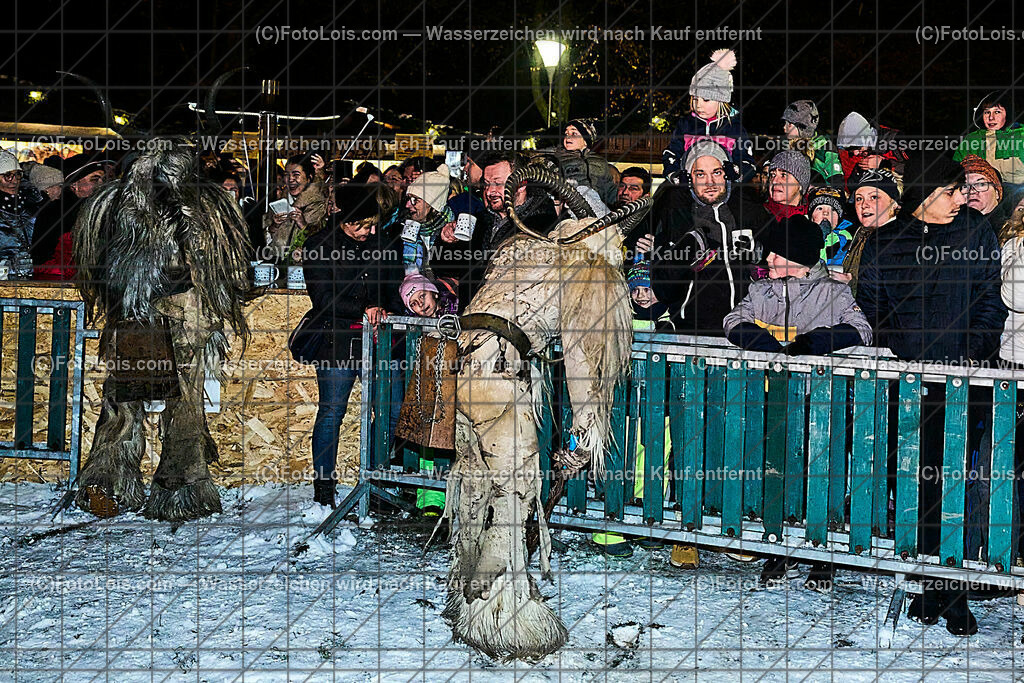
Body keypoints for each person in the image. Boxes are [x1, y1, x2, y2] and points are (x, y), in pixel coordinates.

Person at [856, 151, 1007, 636]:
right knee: (918, 485)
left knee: (956, 484)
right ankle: (927, 582)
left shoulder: (974, 232)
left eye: (963, 189)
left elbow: (991, 300)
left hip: (963, 384)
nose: (962, 198)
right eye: (952, 191)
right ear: (923, 196)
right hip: (908, 385)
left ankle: (955, 590)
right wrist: (900, 351)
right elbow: (871, 309)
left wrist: (973, 357)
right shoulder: (886, 242)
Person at [723, 214, 872, 590]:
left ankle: (821, 551)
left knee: (821, 477)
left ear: (799, 259)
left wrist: (814, 343)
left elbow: (862, 329)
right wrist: (766, 345)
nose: (768, 261)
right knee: (779, 474)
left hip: (823, 405)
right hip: (775, 402)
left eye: (776, 255)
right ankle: (780, 546)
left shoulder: (833, 293)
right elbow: (732, 320)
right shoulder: (761, 291)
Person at [303, 182, 402, 507]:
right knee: (332, 412)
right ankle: (324, 486)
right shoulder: (318, 245)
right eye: (358, 225)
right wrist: (362, 308)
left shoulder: (386, 243)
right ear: (342, 218)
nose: (365, 231)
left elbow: (393, 289)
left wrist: (386, 309)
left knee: (388, 412)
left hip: (379, 341)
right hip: (337, 340)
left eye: (370, 224)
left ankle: (381, 480)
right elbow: (322, 300)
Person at [431, 151, 557, 308]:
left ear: (521, 185)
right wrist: (446, 240)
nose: (490, 192)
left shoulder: (544, 226)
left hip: (514, 323)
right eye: (486, 183)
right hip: (473, 320)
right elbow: (443, 267)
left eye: (498, 183)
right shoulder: (480, 221)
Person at [662, 49, 755, 180]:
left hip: (725, 189)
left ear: (721, 100)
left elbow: (747, 162)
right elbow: (672, 153)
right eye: (694, 99)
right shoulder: (685, 125)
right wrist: (675, 175)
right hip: (690, 186)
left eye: (706, 99)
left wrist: (736, 171)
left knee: (745, 199)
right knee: (667, 198)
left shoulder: (734, 128)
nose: (698, 105)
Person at [31, 154, 111, 274]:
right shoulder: (55, 213)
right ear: (74, 185)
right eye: (94, 179)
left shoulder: (101, 210)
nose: (101, 184)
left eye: (103, 179)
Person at [839, 168, 902, 294]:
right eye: (859, 199)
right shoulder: (862, 232)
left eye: (874, 197)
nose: (864, 205)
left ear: (894, 203)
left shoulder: (899, 241)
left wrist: (850, 283)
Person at [263, 154, 327, 264]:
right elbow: (265, 239)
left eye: (296, 175)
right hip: (276, 265)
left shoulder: (318, 204)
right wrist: (274, 226)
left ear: (309, 178)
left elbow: (322, 241)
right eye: (286, 175)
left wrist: (303, 225)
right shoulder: (278, 202)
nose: (290, 179)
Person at [953, 92, 1024, 184]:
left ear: (1008, 113)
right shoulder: (973, 139)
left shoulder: (1021, 135)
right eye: (987, 112)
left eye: (997, 112)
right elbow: (955, 171)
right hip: (983, 192)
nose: (991, 117)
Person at [549, 119, 618, 207]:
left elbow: (610, 191)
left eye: (574, 134)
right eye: (566, 134)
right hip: (570, 209)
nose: (568, 137)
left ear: (586, 141)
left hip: (597, 208)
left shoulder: (600, 162)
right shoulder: (556, 158)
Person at [0, 150, 46, 278]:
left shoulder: (31, 208)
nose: (14, 181)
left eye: (18, 174)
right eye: (7, 175)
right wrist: (7, 265)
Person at [403, 164, 455, 275]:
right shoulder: (402, 229)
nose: (408, 205)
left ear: (433, 205)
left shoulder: (454, 235)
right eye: (408, 199)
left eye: (415, 200)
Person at [835, 111, 907, 190]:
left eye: (858, 147)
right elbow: (846, 182)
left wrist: (884, 164)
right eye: (851, 149)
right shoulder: (847, 151)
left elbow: (914, 169)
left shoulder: (895, 141)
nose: (855, 153)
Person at [781, 99, 842, 185]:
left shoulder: (825, 149)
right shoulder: (785, 148)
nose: (784, 128)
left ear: (802, 127)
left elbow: (837, 182)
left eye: (789, 124)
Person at [805, 185, 854, 269]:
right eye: (820, 208)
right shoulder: (799, 232)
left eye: (833, 210)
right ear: (811, 216)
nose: (825, 213)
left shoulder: (845, 239)